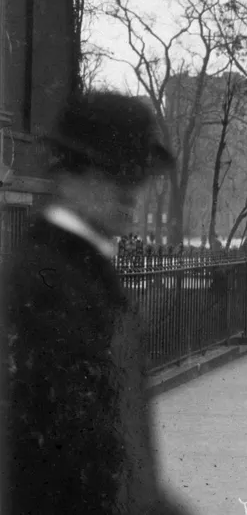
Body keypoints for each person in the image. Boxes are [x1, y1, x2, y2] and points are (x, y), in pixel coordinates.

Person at [0, 90, 193, 514]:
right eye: (116, 176)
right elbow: (61, 464)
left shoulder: (84, 271)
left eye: (136, 177)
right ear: (72, 176)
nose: (131, 193)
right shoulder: (42, 285)